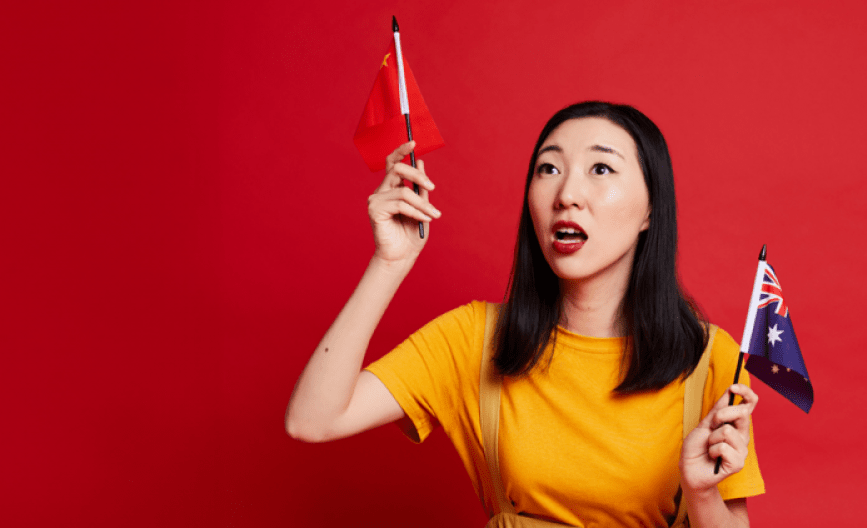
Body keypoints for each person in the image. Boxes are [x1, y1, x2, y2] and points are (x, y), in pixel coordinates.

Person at [286, 101, 763, 527]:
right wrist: (389, 264)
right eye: (548, 169)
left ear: (651, 211)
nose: (567, 194)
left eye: (600, 169)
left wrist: (701, 493)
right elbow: (313, 420)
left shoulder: (709, 358)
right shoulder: (474, 337)